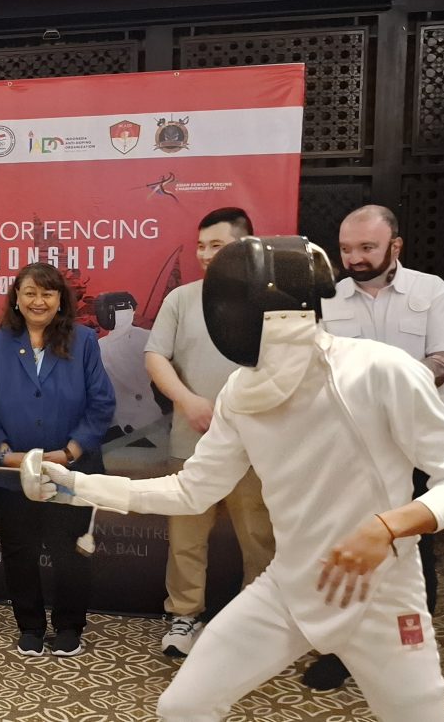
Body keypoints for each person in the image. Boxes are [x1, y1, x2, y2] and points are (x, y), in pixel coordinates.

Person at [20, 236, 444, 722]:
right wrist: (75, 487)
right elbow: (191, 491)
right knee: (183, 706)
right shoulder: (241, 393)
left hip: (383, 595)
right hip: (290, 587)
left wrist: (388, 526)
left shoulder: (381, 370)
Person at [305, 204, 444, 689]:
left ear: (395, 246)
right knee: (345, 544)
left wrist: (391, 389)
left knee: (412, 548)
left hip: (416, 443)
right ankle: (342, 650)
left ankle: (411, 653)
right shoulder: (328, 298)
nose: (354, 258)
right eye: (346, 249)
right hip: (348, 445)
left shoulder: (429, 290)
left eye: (367, 247)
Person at [144, 208, 276, 656]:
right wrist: (188, 401)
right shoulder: (182, 299)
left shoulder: (271, 299)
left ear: (245, 247)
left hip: (256, 447)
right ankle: (184, 616)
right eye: (200, 246)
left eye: (216, 245)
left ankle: (256, 622)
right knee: (185, 538)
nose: (204, 255)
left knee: (258, 538)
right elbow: (155, 357)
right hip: (191, 443)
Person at [0, 263, 116, 657]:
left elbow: (102, 404)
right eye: (30, 292)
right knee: (19, 552)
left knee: (70, 554)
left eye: (47, 293)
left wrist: (70, 452)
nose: (39, 301)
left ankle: (69, 626)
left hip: (72, 470)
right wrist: (4, 454)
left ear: (60, 300)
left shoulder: (84, 341)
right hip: (13, 474)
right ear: (16, 298)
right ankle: (30, 626)